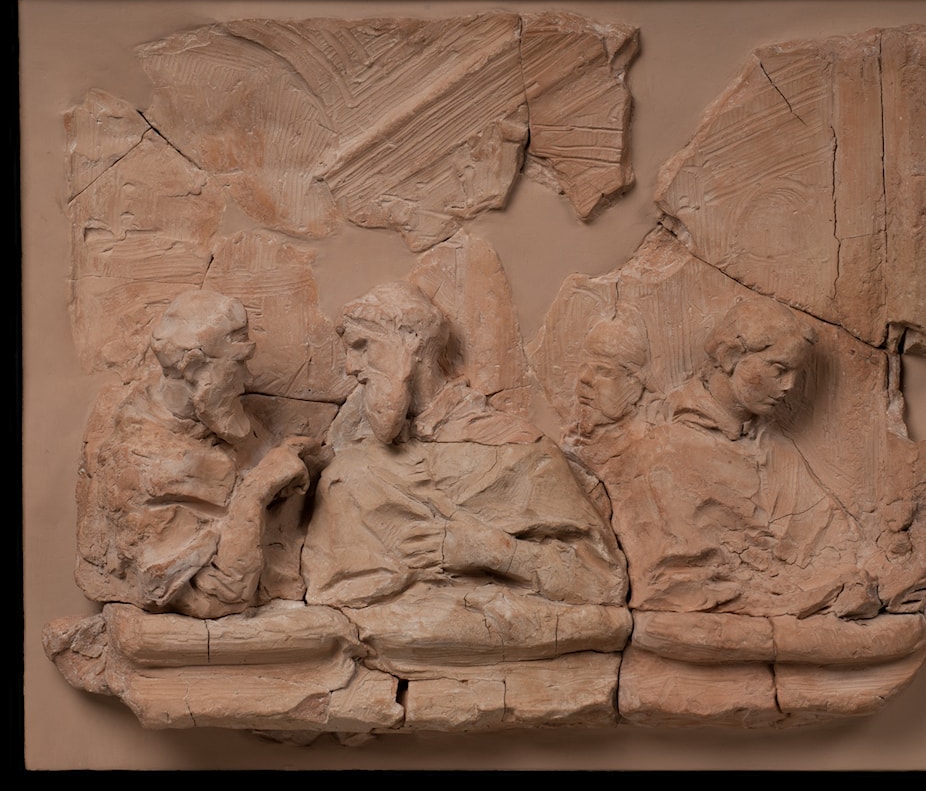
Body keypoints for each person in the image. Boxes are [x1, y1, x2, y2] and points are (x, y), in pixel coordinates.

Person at [302, 281, 630, 659]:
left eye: (363, 346)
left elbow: (598, 580)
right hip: (383, 652)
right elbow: (330, 588)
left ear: (410, 342)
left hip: (499, 657)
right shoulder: (349, 470)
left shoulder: (518, 452)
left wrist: (490, 550)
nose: (351, 367)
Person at [631, 297, 880, 618]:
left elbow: (835, 535)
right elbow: (672, 579)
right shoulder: (667, 449)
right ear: (730, 357)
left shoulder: (777, 452)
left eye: (796, 373)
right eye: (779, 369)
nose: (790, 386)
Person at [76, 290, 318, 619]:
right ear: (192, 367)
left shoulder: (218, 417)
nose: (247, 380)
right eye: (238, 364)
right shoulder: (142, 466)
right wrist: (256, 491)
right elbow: (222, 595)